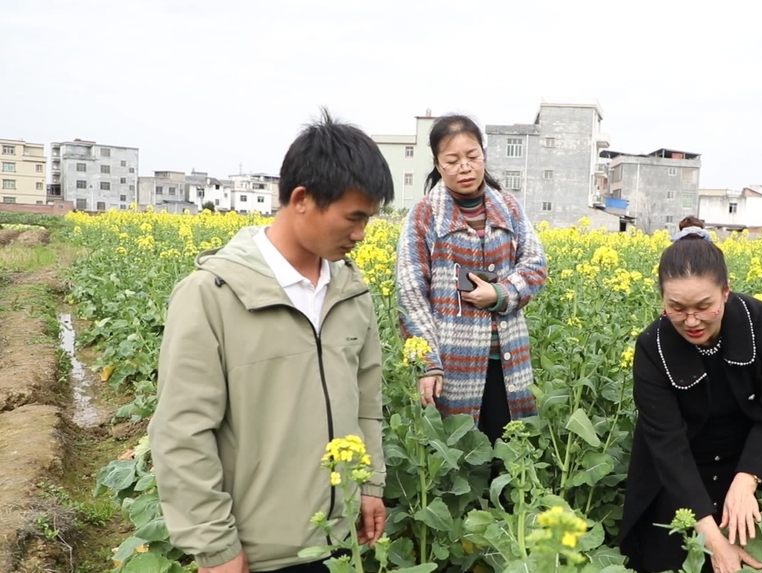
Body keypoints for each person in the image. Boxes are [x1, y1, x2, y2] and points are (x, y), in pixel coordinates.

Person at [148, 109, 393, 573]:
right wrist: (216, 547)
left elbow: (366, 401)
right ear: (302, 198)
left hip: (343, 541)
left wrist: (370, 484)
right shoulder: (211, 296)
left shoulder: (351, 293)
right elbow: (182, 433)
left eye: (369, 220)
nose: (361, 235)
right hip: (259, 555)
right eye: (353, 217)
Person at [618, 216, 762, 573]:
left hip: (747, 467)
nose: (691, 320)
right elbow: (667, 445)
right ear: (662, 300)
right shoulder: (652, 345)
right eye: (677, 308)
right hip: (676, 481)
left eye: (704, 306)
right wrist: (713, 539)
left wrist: (748, 480)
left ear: (726, 291)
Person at [395, 114, 547, 444]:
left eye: (472, 156)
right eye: (452, 160)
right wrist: (427, 363)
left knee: (511, 456)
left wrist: (501, 293)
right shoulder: (424, 215)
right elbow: (410, 293)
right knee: (459, 456)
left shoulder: (507, 206)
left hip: (509, 359)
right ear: (437, 163)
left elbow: (535, 264)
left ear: (483, 156)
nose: (465, 167)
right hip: (453, 365)